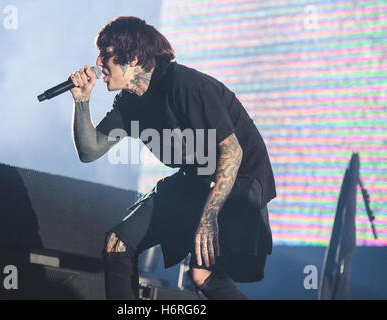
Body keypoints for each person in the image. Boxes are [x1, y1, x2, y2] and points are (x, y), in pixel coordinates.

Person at [69, 16, 276, 300]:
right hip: (197, 178)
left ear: (133, 57)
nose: (98, 63)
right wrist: (82, 101)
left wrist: (209, 216)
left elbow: (232, 151)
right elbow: (89, 151)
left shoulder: (184, 85)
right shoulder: (129, 103)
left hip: (237, 180)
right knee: (118, 243)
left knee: (202, 274)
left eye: (106, 54)